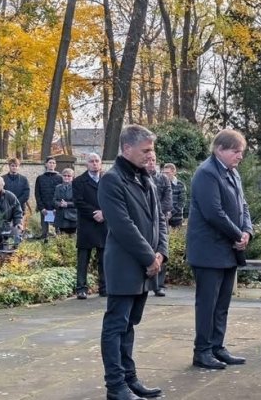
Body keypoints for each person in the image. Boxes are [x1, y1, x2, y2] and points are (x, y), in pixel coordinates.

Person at [97, 124, 167, 400]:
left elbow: (159, 218)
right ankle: (115, 386)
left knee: (129, 325)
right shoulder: (112, 180)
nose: (151, 155)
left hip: (146, 265)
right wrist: (150, 256)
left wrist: (160, 252)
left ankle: (130, 379)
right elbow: (122, 225)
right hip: (125, 265)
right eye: (146, 150)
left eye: (152, 149)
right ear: (127, 149)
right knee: (116, 325)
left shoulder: (144, 178)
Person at [186, 129, 252, 370]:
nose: (240, 157)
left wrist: (247, 232)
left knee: (222, 303)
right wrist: (238, 235)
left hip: (228, 250)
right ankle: (202, 350)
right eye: (236, 151)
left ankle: (217, 346)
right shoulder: (206, 173)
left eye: (241, 152)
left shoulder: (232, 173)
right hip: (208, 251)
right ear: (219, 149)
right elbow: (214, 213)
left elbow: (243, 206)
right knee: (207, 304)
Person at [72, 153, 106, 300]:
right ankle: (81, 288)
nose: (94, 164)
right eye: (91, 161)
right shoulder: (79, 181)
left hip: (104, 223)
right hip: (87, 223)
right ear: (86, 164)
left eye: (97, 161)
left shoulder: (107, 180)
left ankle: (104, 287)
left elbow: (114, 199)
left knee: (104, 258)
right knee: (83, 258)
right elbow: (78, 202)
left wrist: (104, 213)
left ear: (101, 163)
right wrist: (95, 213)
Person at [145, 155, 172, 297]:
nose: (151, 163)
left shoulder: (163, 179)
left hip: (160, 218)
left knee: (162, 249)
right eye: (149, 160)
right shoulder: (140, 178)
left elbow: (168, 199)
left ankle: (159, 285)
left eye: (154, 160)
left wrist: (157, 212)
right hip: (145, 219)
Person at [2, 157, 30, 242]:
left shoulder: (24, 179)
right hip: (6, 208)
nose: (14, 167)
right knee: (6, 229)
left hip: (20, 208)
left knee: (18, 227)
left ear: (19, 167)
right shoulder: (3, 178)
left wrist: (16, 203)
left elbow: (26, 194)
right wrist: (8, 203)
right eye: (12, 165)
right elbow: (1, 192)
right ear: (9, 166)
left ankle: (17, 246)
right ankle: (4, 244)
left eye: (16, 166)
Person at [35, 156, 63, 239]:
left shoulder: (60, 177)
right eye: (50, 162)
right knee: (44, 233)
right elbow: (37, 193)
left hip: (56, 208)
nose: (52, 164)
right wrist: (41, 208)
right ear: (46, 164)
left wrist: (57, 207)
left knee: (58, 232)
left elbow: (62, 193)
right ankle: (44, 245)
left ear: (55, 165)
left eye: (53, 163)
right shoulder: (40, 178)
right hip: (44, 207)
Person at [53, 168, 78, 235]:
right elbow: (54, 200)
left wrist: (67, 204)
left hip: (72, 217)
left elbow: (78, 202)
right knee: (60, 240)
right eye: (64, 175)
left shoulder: (76, 187)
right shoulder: (58, 187)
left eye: (69, 176)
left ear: (73, 177)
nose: (66, 177)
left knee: (71, 239)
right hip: (60, 217)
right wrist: (59, 204)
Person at [162, 163, 186, 228]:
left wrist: (171, 213)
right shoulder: (162, 184)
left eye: (167, 173)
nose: (165, 175)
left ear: (173, 172)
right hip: (164, 219)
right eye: (164, 173)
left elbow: (182, 202)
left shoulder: (180, 185)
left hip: (177, 219)